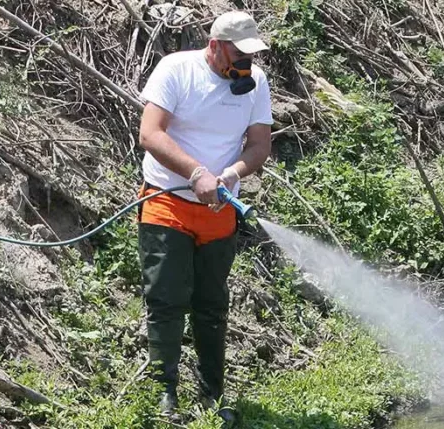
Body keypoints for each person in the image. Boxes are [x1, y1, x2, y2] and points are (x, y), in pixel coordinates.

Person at [135, 10, 273, 420]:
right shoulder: (177, 70)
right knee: (167, 298)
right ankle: (165, 394)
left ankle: (212, 395)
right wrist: (195, 173)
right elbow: (150, 133)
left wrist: (229, 174)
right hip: (167, 201)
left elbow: (259, 145)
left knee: (212, 303)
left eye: (252, 54)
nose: (247, 63)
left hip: (218, 211)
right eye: (239, 53)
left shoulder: (256, 84)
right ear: (215, 46)